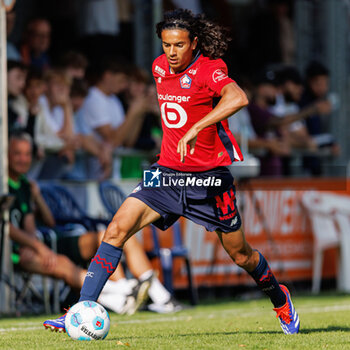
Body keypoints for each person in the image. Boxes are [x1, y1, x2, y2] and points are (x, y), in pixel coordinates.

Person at [44, 9, 300, 334]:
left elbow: (238, 97)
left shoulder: (210, 69)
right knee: (115, 231)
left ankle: (280, 300)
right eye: (166, 44)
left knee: (242, 255)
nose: (172, 52)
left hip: (208, 181)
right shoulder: (158, 67)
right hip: (166, 174)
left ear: (194, 42)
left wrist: (199, 125)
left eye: (179, 45)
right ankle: (79, 311)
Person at [7, 132, 151, 315]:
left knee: (105, 239)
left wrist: (37, 197)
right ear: (6, 155)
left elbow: (36, 225)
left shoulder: (26, 185)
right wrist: (37, 246)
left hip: (39, 243)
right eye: (17, 153)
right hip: (14, 252)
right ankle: (126, 290)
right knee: (64, 264)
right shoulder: (4, 185)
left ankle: (124, 296)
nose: (23, 159)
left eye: (27, 154)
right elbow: (6, 227)